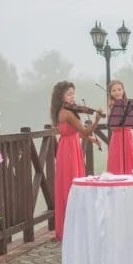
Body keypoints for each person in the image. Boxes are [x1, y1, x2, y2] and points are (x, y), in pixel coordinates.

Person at [51, 81, 103, 241]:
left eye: (73, 93)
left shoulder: (61, 111)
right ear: (61, 96)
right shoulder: (67, 113)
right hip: (69, 151)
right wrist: (96, 120)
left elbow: (74, 132)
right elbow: (84, 130)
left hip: (67, 147)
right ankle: (74, 227)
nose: (72, 97)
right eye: (69, 94)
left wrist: (91, 139)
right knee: (72, 186)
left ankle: (70, 225)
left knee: (68, 184)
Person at [106, 80, 133, 175]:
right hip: (116, 138)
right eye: (113, 90)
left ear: (123, 90)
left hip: (128, 137)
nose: (117, 92)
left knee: (130, 164)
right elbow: (113, 127)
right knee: (116, 165)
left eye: (119, 89)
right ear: (110, 93)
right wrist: (114, 110)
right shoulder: (111, 107)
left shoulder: (130, 105)